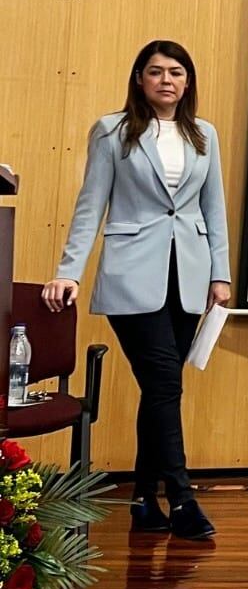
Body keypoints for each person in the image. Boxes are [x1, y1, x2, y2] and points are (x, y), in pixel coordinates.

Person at [42, 40, 231, 539]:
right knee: (166, 382)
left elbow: (214, 210)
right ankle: (183, 499)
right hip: (132, 273)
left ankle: (145, 501)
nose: (166, 80)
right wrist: (69, 271)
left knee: (160, 388)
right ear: (140, 79)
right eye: (155, 72)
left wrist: (221, 272)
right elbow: (91, 205)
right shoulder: (113, 131)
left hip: (187, 275)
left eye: (176, 72)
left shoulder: (204, 135)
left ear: (187, 82)